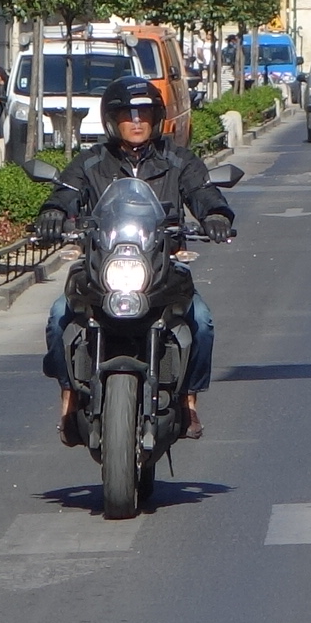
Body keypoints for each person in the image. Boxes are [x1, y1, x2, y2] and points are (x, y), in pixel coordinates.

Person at [38, 78, 233, 441]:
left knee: (202, 322)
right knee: (56, 318)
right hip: (102, 264)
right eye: (127, 114)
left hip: (162, 263)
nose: (136, 121)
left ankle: (189, 398)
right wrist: (52, 212)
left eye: (144, 112)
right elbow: (64, 192)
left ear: (157, 117)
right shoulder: (91, 162)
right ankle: (68, 394)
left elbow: (203, 191)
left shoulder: (178, 159)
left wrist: (216, 215)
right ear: (111, 120)